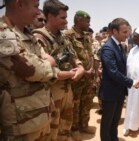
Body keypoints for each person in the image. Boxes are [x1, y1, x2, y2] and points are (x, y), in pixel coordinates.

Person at [0, 0, 71, 140]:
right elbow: (29, 70)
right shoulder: (3, 34)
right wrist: (47, 64)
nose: (38, 12)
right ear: (19, 4)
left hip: (40, 116)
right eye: (36, 6)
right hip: (20, 125)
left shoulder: (28, 34)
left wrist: (45, 63)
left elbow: (45, 60)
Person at [32, 0, 84, 140]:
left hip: (67, 91)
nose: (66, 21)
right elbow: (45, 71)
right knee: (52, 132)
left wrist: (80, 68)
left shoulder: (63, 38)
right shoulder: (39, 38)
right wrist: (70, 74)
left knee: (65, 128)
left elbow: (74, 58)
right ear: (49, 17)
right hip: (51, 95)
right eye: (63, 18)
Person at [99, 17, 138, 141]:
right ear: (114, 31)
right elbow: (113, 72)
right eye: (124, 32)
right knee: (107, 124)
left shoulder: (120, 46)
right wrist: (131, 82)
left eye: (128, 32)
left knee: (115, 122)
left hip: (119, 92)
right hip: (110, 93)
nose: (127, 35)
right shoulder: (108, 48)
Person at [64, 10, 96, 136]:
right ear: (78, 20)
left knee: (87, 102)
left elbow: (91, 54)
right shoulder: (68, 35)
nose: (89, 23)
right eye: (87, 21)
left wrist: (91, 69)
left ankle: (84, 125)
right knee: (75, 104)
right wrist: (83, 71)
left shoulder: (87, 36)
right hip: (77, 77)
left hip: (88, 76)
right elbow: (70, 55)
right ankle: (74, 128)